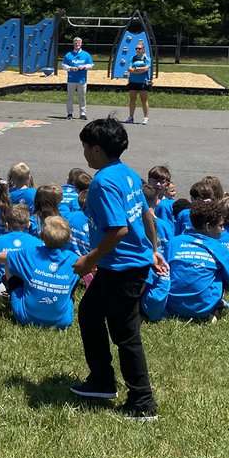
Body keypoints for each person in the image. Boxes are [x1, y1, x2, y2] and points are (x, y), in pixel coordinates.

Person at [70, 117, 166, 419]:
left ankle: (142, 402)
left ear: (97, 149)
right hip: (125, 263)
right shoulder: (127, 173)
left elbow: (119, 230)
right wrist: (153, 249)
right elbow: (146, 214)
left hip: (123, 267)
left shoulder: (103, 182)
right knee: (89, 314)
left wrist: (89, 259)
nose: (83, 151)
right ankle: (102, 380)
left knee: (126, 335)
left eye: (85, 146)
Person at [161, 199, 229, 323]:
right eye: (220, 225)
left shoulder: (174, 243)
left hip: (171, 306)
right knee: (220, 273)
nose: (223, 229)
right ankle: (212, 313)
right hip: (202, 309)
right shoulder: (220, 249)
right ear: (208, 226)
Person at [0, 215, 80, 329]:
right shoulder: (74, 260)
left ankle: (11, 291)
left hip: (25, 317)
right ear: (70, 238)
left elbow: (0, 257)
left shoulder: (30, 254)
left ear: (41, 236)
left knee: (10, 262)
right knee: (72, 282)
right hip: (62, 321)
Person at [63, 37, 94, 120]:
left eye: (79, 43)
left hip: (82, 79)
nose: (77, 44)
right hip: (71, 79)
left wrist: (84, 66)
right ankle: (69, 113)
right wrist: (70, 68)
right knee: (70, 97)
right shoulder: (68, 55)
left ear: (81, 43)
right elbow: (63, 65)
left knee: (82, 97)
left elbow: (91, 65)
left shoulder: (86, 54)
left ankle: (82, 114)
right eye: (76, 43)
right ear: (73, 44)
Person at [125, 42, 152, 124]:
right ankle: (131, 117)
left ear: (143, 49)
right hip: (133, 81)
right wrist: (138, 70)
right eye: (136, 48)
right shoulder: (132, 58)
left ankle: (146, 118)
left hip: (143, 82)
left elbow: (146, 68)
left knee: (144, 100)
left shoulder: (147, 58)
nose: (137, 50)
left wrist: (136, 69)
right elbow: (129, 69)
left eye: (139, 48)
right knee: (132, 99)